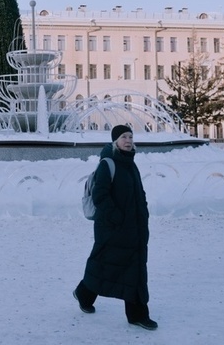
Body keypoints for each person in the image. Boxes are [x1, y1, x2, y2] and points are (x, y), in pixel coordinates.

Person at [72, 124, 158, 331]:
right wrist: (116, 218)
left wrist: (143, 213)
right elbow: (101, 196)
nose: (128, 140)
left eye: (130, 136)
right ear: (115, 141)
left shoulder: (131, 164)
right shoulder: (107, 164)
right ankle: (86, 294)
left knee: (130, 268)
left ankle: (87, 295)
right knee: (106, 266)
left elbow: (139, 194)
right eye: (123, 137)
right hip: (112, 229)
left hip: (132, 229)